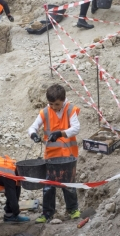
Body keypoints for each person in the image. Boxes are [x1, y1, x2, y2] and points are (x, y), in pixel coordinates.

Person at [27, 84, 80, 223]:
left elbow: (76, 128)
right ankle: (47, 213)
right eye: (51, 104)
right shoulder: (45, 112)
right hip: (51, 156)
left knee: (68, 184)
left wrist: (61, 133)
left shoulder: (70, 110)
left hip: (68, 156)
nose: (54, 107)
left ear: (63, 100)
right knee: (48, 186)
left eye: (57, 104)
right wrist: (33, 135)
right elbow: (33, 127)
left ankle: (73, 209)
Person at [0, 156, 29, 223]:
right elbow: (11, 196)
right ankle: (11, 216)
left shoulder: (13, 166)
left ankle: (9, 214)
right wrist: (16, 212)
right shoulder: (9, 177)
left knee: (16, 186)